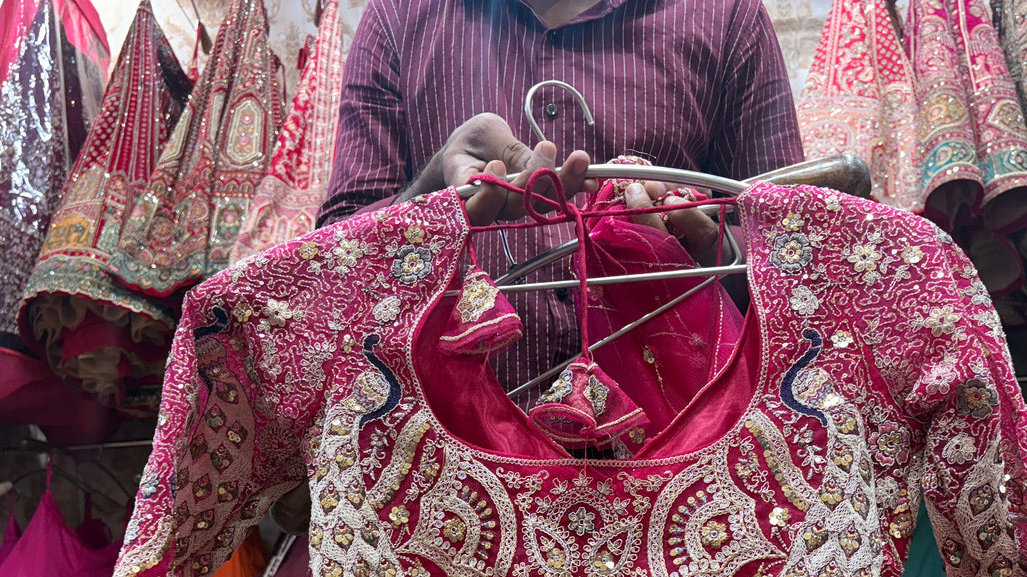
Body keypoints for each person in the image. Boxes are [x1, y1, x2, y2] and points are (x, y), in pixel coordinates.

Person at [319, 0, 804, 397]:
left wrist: (717, 251)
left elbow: (799, 252)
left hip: (682, 452)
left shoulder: (725, 14)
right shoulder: (398, 15)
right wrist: (433, 194)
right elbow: (328, 274)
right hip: (446, 456)